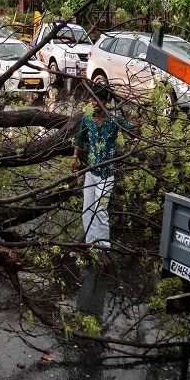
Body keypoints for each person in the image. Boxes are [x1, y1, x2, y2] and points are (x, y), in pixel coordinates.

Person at [70, 86, 135, 255]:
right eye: (93, 99)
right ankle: (90, 245)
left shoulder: (114, 119)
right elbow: (80, 137)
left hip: (107, 173)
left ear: (106, 102)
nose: (95, 103)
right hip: (91, 171)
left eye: (99, 100)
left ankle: (104, 250)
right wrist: (75, 156)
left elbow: (130, 130)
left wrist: (138, 127)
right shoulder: (88, 118)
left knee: (100, 211)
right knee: (87, 210)